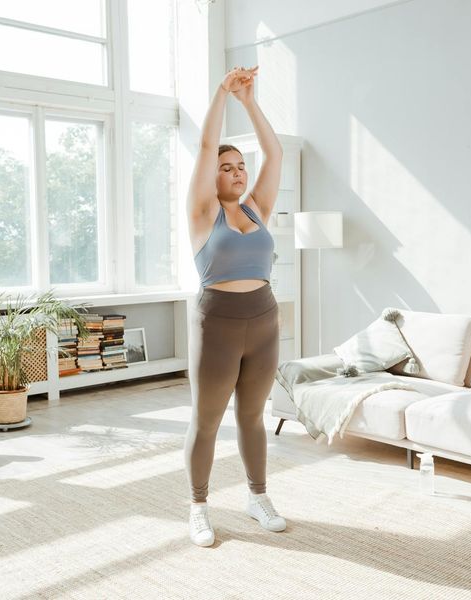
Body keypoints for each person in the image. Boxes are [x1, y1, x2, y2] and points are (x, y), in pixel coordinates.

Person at [184, 65, 286, 547]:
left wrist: (249, 102)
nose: (237, 172)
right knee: (206, 421)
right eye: (227, 167)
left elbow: (275, 152)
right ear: (212, 175)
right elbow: (207, 146)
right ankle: (198, 507)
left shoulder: (256, 208)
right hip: (218, 324)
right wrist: (222, 93)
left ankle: (257, 497)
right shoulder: (203, 213)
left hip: (264, 321)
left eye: (240, 166)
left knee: (252, 417)